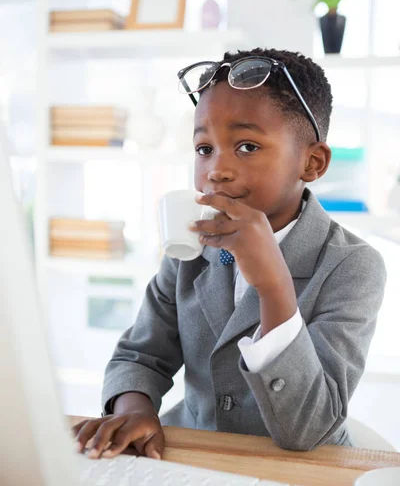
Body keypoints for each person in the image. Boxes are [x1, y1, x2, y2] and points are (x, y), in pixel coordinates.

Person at [73, 48, 386, 459]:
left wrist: (274, 284)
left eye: (247, 147)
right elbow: (141, 355)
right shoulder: (190, 248)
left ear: (311, 162)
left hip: (301, 467)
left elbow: (310, 426)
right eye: (204, 149)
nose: (217, 169)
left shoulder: (352, 266)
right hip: (195, 450)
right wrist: (135, 408)